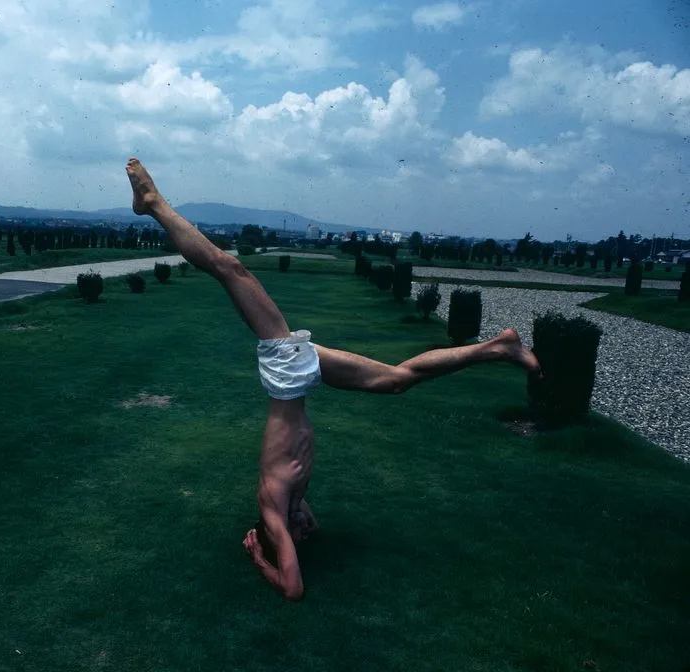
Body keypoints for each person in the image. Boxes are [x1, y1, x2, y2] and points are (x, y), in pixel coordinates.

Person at [124, 158, 541, 601]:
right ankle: (497, 347)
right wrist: (301, 522)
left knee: (228, 268)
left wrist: (259, 556)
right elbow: (312, 525)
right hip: (297, 373)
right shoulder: (292, 504)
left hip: (287, 371)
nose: (306, 530)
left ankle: (154, 203)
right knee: (397, 379)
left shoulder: (273, 508)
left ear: (275, 535)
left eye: (296, 537)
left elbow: (293, 589)